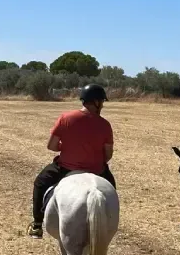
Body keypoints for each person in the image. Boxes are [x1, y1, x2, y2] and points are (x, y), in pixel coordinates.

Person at [28, 84, 116, 237]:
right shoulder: (105, 124)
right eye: (102, 102)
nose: (102, 105)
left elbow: (51, 146)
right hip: (97, 170)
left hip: (65, 168)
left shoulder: (65, 118)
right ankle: (110, 219)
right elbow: (108, 155)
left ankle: (37, 225)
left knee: (40, 183)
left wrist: (67, 146)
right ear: (96, 102)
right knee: (111, 189)